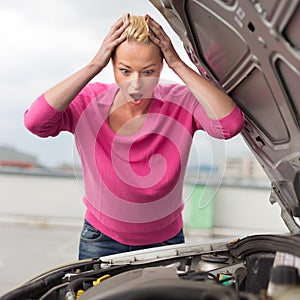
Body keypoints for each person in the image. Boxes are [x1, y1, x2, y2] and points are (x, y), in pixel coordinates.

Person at [24, 14, 244, 259]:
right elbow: (36, 122)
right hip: (101, 240)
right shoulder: (88, 102)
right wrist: (93, 65)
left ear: (161, 67)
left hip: (167, 243)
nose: (136, 83)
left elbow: (230, 125)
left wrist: (178, 63)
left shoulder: (180, 101)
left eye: (148, 71)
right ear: (112, 65)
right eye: (125, 71)